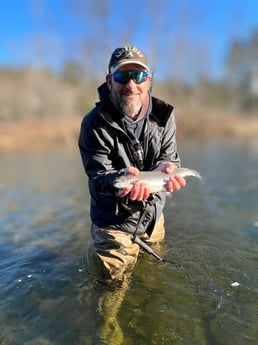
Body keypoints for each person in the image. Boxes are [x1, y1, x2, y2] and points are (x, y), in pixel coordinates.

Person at [78, 45, 186, 283]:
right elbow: (98, 179)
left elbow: (170, 157)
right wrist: (120, 181)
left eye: (138, 76)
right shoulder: (93, 124)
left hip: (154, 216)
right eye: (122, 76)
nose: (131, 84)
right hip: (113, 223)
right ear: (109, 81)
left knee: (152, 278)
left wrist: (168, 170)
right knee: (113, 287)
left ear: (148, 80)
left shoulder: (164, 116)